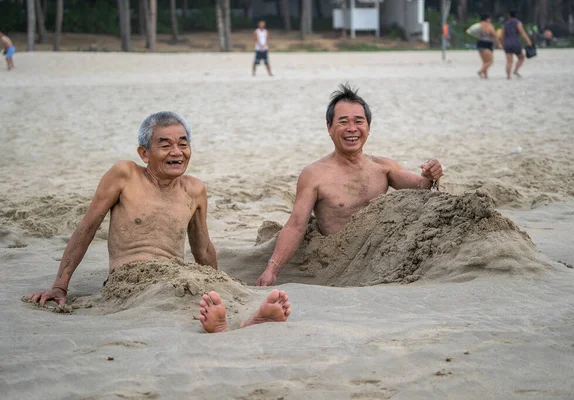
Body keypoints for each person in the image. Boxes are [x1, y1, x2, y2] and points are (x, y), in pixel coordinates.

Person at [28, 111, 291, 333]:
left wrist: (215, 284)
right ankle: (227, 324)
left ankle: (248, 319)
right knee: (167, 302)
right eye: (165, 145)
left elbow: (202, 248)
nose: (176, 152)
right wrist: (60, 286)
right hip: (129, 280)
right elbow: (86, 228)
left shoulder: (195, 189)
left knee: (208, 293)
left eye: (183, 144)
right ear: (145, 153)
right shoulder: (125, 175)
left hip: (177, 274)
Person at [255, 84, 444, 286]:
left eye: (359, 121)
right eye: (343, 122)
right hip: (337, 267)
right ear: (329, 128)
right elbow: (296, 225)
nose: (352, 129)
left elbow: (422, 188)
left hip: (381, 261)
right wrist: (271, 270)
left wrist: (431, 174)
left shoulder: (383, 167)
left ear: (368, 128)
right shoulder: (314, 174)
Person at [502, 10, 533, 79]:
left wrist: (502, 43)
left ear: (509, 15)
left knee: (509, 61)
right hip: (515, 43)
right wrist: (528, 40)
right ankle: (515, 71)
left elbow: (503, 35)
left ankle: (508, 76)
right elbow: (522, 32)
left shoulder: (505, 24)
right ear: (516, 15)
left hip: (507, 44)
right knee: (521, 58)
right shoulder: (518, 23)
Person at [476, 14, 502, 79]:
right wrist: (499, 44)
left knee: (485, 61)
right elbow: (494, 35)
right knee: (490, 61)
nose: (490, 20)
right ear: (487, 19)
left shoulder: (478, 25)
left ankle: (485, 76)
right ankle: (480, 71)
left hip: (479, 44)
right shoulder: (489, 26)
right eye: (489, 18)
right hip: (487, 44)